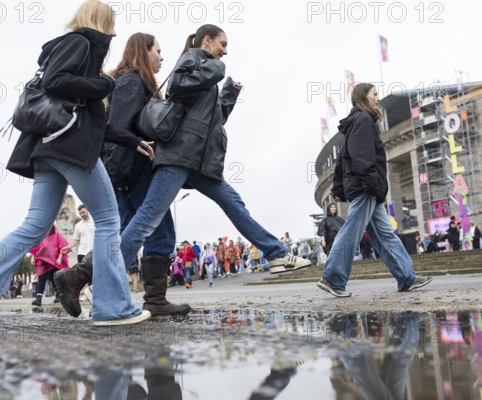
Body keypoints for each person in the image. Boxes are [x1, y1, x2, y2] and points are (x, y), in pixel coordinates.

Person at [0, 0, 154, 335]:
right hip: (69, 148)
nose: (115, 32)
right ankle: (113, 307)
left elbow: (91, 120)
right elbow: (57, 82)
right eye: (113, 24)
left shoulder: (79, 52)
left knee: (34, 226)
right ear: (103, 23)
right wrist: (104, 85)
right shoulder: (81, 43)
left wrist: (131, 141)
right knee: (108, 219)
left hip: (49, 148)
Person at [118, 24, 311, 278]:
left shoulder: (204, 68)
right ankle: (96, 274)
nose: (226, 51)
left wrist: (228, 95)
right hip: (177, 158)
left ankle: (276, 254)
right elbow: (177, 85)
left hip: (196, 162)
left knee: (234, 204)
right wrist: (217, 68)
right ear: (207, 41)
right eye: (223, 44)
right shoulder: (194, 57)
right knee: (146, 220)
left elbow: (211, 121)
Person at [55, 33, 190, 318]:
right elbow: (115, 129)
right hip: (131, 171)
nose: (161, 57)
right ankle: (153, 299)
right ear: (144, 51)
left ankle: (78, 277)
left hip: (127, 171)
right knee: (160, 231)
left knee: (120, 236)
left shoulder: (130, 80)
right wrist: (121, 175)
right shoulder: (131, 81)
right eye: (158, 50)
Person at [317, 83, 432, 298]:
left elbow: (343, 158)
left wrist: (340, 187)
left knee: (385, 235)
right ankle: (333, 278)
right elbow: (362, 158)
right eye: (374, 94)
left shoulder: (355, 123)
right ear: (363, 98)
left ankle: (406, 277)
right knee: (352, 230)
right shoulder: (363, 120)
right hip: (367, 187)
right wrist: (371, 186)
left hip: (367, 187)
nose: (378, 99)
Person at [29, 225, 69, 306]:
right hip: (43, 261)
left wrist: (60, 258)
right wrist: (33, 257)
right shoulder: (42, 236)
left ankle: (58, 296)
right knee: (41, 278)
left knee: (53, 279)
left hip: (53, 261)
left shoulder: (57, 235)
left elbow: (62, 247)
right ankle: (38, 298)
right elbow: (36, 248)